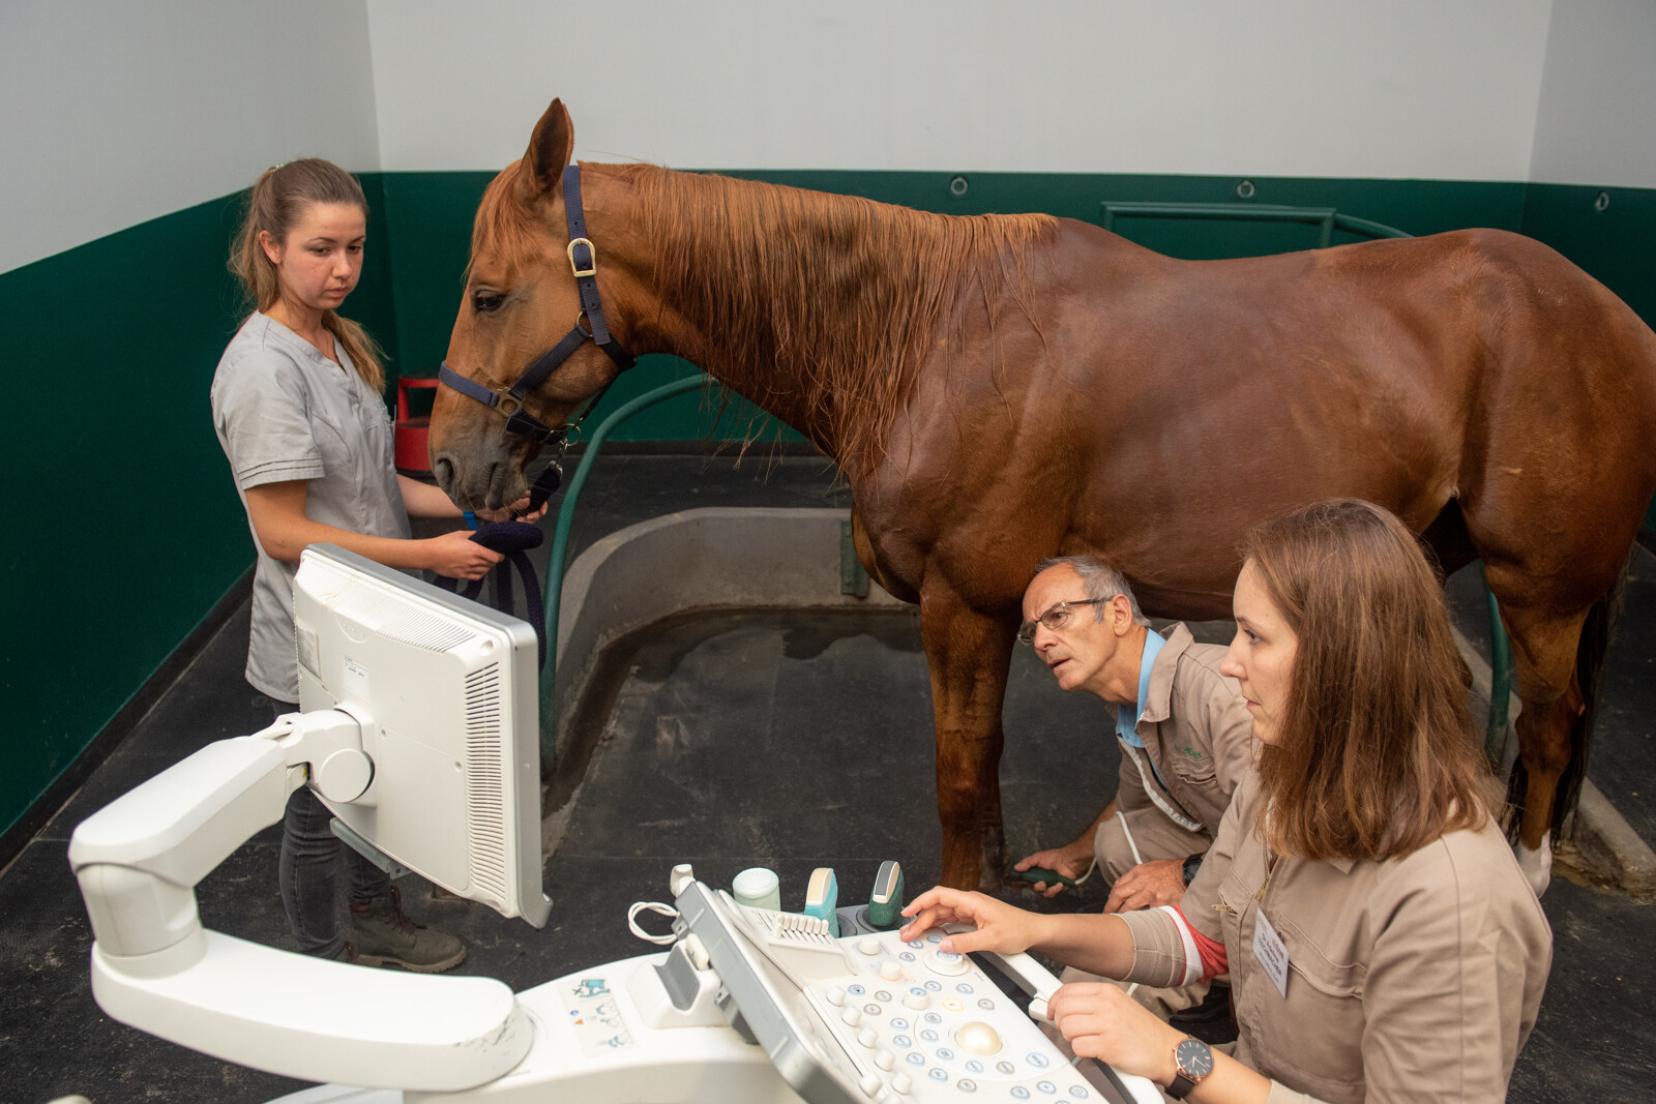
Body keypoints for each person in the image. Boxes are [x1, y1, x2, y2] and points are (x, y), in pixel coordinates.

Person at [904, 500, 1552, 1102]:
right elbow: (1197, 939)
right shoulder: (1280, 779)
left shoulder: (1454, 902)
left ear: (1344, 656)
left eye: (1253, 636)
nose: (1230, 661)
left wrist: (1180, 1058)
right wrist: (1034, 929)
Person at [212, 158, 531, 970]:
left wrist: (474, 512)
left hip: (376, 622)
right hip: (314, 640)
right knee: (318, 812)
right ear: (271, 248)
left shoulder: (337, 343)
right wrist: (429, 555)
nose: (344, 269)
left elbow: (374, 485)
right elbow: (284, 532)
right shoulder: (262, 372)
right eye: (321, 249)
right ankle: (325, 966)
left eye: (355, 247)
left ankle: (374, 918)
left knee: (373, 789)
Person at [1011, 557, 1253, 1018]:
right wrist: (1073, 857)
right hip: (1230, 848)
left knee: (1082, 1004)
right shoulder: (1130, 705)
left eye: (1057, 616)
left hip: (1286, 877)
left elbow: (1282, 833)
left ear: (1119, 614)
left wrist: (1186, 874)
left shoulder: (1218, 692)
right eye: (1031, 632)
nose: (1041, 641)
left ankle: (1210, 973)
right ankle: (1209, 963)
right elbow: (1134, 800)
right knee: (1118, 838)